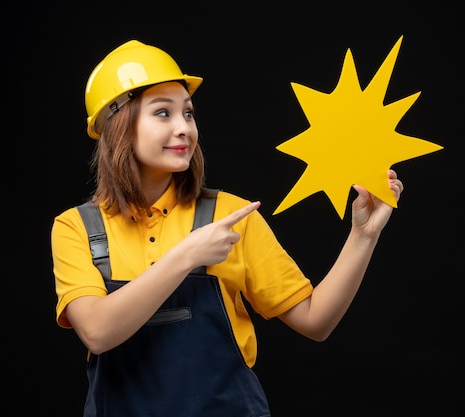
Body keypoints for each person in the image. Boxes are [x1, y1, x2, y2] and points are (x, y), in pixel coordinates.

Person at [51, 39, 404, 417]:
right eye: (163, 113)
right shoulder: (78, 228)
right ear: (117, 125)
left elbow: (316, 321)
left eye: (188, 113)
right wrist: (189, 254)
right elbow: (98, 333)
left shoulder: (231, 216)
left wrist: (363, 236)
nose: (184, 128)